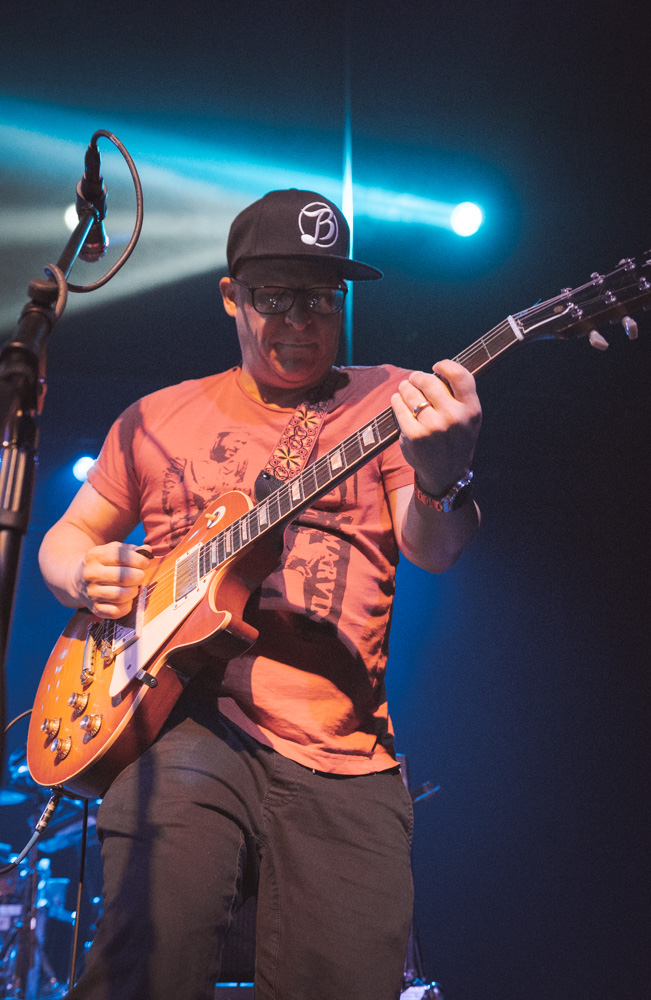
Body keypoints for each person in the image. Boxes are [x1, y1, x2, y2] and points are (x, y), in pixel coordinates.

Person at [38, 188, 482, 1000]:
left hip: (343, 752)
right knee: (146, 963)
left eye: (320, 298)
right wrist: (80, 572)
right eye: (275, 297)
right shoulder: (154, 417)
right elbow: (67, 537)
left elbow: (436, 547)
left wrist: (445, 474)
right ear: (230, 297)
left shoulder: (389, 400)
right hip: (183, 722)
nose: (301, 322)